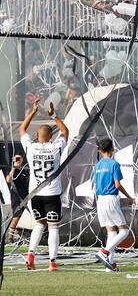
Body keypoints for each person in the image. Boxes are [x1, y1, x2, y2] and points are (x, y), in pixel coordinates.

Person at [20, 98, 69, 272]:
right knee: (53, 227)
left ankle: (31, 254)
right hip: (52, 193)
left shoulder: (31, 148)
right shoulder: (56, 147)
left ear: (38, 136)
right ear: (50, 136)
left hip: (35, 193)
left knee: (39, 224)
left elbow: (22, 129)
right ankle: (52, 262)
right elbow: (65, 131)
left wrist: (33, 111)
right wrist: (54, 115)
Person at [93, 138, 136, 272]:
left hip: (100, 200)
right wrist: (129, 197)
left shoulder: (97, 165)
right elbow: (117, 184)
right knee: (124, 231)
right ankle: (104, 252)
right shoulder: (114, 164)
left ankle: (109, 265)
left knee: (111, 231)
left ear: (100, 151)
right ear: (112, 149)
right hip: (111, 199)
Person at [5, 153, 29, 240]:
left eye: (20, 158)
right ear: (13, 160)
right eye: (17, 158)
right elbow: (8, 179)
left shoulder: (24, 171)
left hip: (25, 196)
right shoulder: (12, 170)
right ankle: (10, 237)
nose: (19, 160)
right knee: (16, 216)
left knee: (22, 217)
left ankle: (18, 236)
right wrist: (14, 167)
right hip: (16, 197)